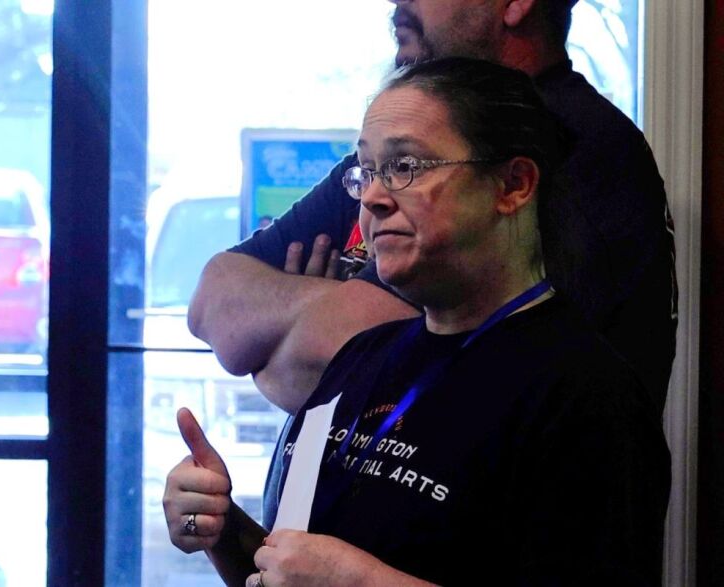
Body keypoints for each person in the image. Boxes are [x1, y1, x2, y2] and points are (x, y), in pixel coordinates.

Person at [166, 58, 671, 587]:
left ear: (512, 185)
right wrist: (221, 528)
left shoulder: (586, 394)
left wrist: (361, 582)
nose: (372, 198)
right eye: (367, 172)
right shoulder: (361, 358)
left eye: (405, 166)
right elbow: (288, 570)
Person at [188, 0, 676, 421]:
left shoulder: (573, 147)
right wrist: (322, 306)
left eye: (408, 167)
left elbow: (323, 358)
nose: (396, 1)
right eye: (377, 170)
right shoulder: (398, 146)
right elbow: (212, 301)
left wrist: (278, 342)